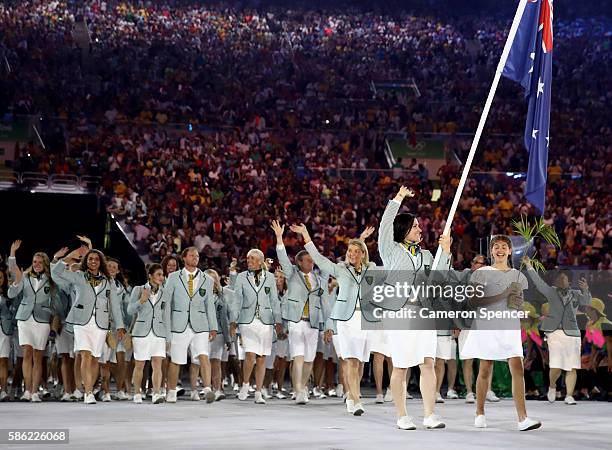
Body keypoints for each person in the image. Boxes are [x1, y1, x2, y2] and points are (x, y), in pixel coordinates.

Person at [377, 186, 451, 429]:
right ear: (404, 230)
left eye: (419, 226)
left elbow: (440, 278)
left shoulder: (427, 255)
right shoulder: (391, 250)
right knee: (400, 366)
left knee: (427, 363)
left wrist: (446, 253)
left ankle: (430, 415)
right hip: (399, 313)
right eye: (416, 226)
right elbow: (385, 226)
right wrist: (398, 198)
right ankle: (402, 415)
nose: (420, 229)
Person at [292, 223, 384, 416]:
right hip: (345, 320)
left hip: (365, 320)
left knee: (359, 363)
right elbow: (319, 259)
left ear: (363, 254)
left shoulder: (372, 269)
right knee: (350, 360)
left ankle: (351, 395)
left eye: (356, 251)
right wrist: (306, 235)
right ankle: (357, 400)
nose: (352, 254)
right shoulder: (341, 269)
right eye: (350, 251)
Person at [461, 235, 541, 431]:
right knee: (485, 369)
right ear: (491, 251)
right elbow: (473, 302)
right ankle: (479, 413)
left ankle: (523, 418)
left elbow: (516, 304)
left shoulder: (518, 276)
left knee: (518, 368)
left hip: (509, 327)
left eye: (504, 246)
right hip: (487, 325)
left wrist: (517, 301)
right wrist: (502, 294)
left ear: (510, 251)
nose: (500, 249)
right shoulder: (481, 273)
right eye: (496, 246)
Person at [51, 246, 126, 404]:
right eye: (90, 259)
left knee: (94, 358)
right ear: (86, 261)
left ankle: (89, 387)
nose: (93, 261)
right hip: (81, 321)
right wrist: (68, 257)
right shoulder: (79, 276)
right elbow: (56, 273)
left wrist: (120, 326)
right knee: (84, 354)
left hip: (101, 323)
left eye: (96, 259)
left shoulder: (108, 281)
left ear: (101, 262)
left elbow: (115, 305)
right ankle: (88, 393)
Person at [271, 220, 326, 405]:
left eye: (312, 260)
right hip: (296, 321)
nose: (312, 262)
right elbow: (283, 258)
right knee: (299, 357)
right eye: (308, 260)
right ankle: (299, 389)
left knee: (309, 358)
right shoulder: (292, 273)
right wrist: (279, 237)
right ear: (299, 262)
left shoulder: (317, 278)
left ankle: (303, 386)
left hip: (313, 322)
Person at [524, 263, 591, 404]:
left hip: (573, 333)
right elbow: (538, 282)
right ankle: (552, 386)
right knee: (556, 365)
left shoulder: (576, 294)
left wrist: (585, 290)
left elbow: (587, 302)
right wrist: (529, 267)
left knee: (572, 365)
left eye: (563, 278)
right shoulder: (551, 291)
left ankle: (569, 395)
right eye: (558, 279)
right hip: (554, 332)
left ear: (569, 281)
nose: (560, 281)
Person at [162, 247, 218, 403]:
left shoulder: (207, 279)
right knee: (176, 360)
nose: (195, 257)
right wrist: (167, 329)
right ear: (184, 258)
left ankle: (207, 389)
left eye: (197, 256)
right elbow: (166, 305)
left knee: (203, 355)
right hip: (179, 324)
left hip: (200, 324)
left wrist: (213, 326)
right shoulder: (173, 277)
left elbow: (210, 306)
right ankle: (171, 391)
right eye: (192, 255)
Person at [229, 249, 283, 404]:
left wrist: (278, 321)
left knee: (261, 358)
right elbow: (236, 300)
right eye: (248, 258)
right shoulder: (241, 277)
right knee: (250, 354)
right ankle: (245, 384)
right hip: (247, 320)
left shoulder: (270, 278)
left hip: (265, 322)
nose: (249, 261)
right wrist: (233, 321)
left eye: (252, 258)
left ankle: (258, 391)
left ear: (261, 260)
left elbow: (274, 301)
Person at [8, 240, 59, 402]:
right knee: (27, 353)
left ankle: (35, 391)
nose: (36, 264)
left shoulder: (51, 281)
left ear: (45, 264)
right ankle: (27, 391)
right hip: (24, 319)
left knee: (38, 357)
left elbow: (55, 302)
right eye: (34, 262)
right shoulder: (24, 277)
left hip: (42, 321)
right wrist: (12, 254)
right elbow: (12, 292)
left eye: (40, 262)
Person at [128, 264, 167, 404]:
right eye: (158, 274)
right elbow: (130, 310)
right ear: (150, 275)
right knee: (140, 365)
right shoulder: (138, 289)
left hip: (159, 333)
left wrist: (168, 337)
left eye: (162, 275)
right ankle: (137, 392)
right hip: (141, 332)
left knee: (157, 364)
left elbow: (166, 316)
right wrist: (141, 300)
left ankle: (156, 393)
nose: (161, 277)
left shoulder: (165, 292)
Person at [204, 268, 233, 401]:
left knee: (216, 362)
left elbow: (225, 319)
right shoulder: (199, 296)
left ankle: (217, 389)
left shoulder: (222, 296)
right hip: (203, 333)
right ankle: (207, 388)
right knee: (204, 362)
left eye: (213, 279)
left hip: (219, 334)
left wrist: (228, 339)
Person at [0, 265, 14, 401]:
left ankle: (3, 390)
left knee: (3, 361)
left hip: (4, 330)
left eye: (0, 277)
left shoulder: (9, 293)